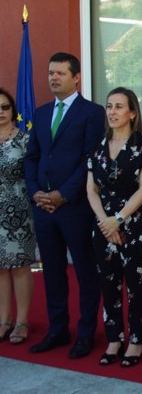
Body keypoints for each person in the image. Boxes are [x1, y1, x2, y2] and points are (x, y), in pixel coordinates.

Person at [25, 52, 105, 359]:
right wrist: (36, 192)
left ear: (76, 77)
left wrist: (63, 194)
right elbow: (33, 156)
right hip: (43, 208)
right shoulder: (42, 113)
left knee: (85, 271)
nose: (53, 78)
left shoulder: (92, 113)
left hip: (75, 207)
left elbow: (90, 159)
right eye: (50, 73)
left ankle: (85, 334)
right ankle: (57, 329)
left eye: (60, 73)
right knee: (53, 272)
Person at [86, 87, 142, 367]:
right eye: (109, 106)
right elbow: (91, 189)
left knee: (137, 286)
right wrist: (106, 221)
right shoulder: (98, 146)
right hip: (103, 227)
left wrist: (119, 219)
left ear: (132, 113)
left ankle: (137, 340)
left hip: (134, 226)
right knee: (109, 284)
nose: (112, 112)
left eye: (118, 107)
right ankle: (114, 338)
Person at [0, 88, 36, 345]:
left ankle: (22, 321)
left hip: (19, 212)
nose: (0, 112)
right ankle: (4, 320)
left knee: (20, 267)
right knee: (1, 269)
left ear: (12, 110)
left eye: (4, 107)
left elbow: (33, 175)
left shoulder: (24, 140)